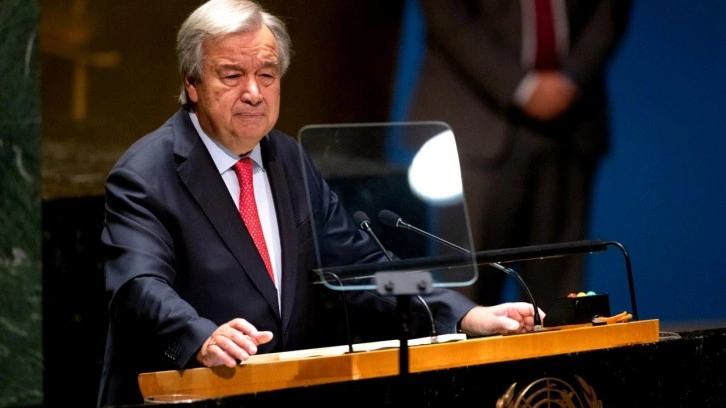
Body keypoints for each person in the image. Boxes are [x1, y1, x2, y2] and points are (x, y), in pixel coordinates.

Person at [96, 1, 542, 406]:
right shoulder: (147, 173)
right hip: (183, 393)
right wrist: (201, 338)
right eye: (232, 75)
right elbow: (138, 286)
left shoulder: (288, 157)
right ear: (192, 84)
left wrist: (464, 313)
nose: (254, 92)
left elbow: (361, 267)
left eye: (267, 74)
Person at [407, 0, 632, 310]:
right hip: (474, 118)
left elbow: (608, 13)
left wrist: (570, 79)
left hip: (571, 122)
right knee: (468, 296)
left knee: (560, 297)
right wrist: (522, 87)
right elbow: (448, 15)